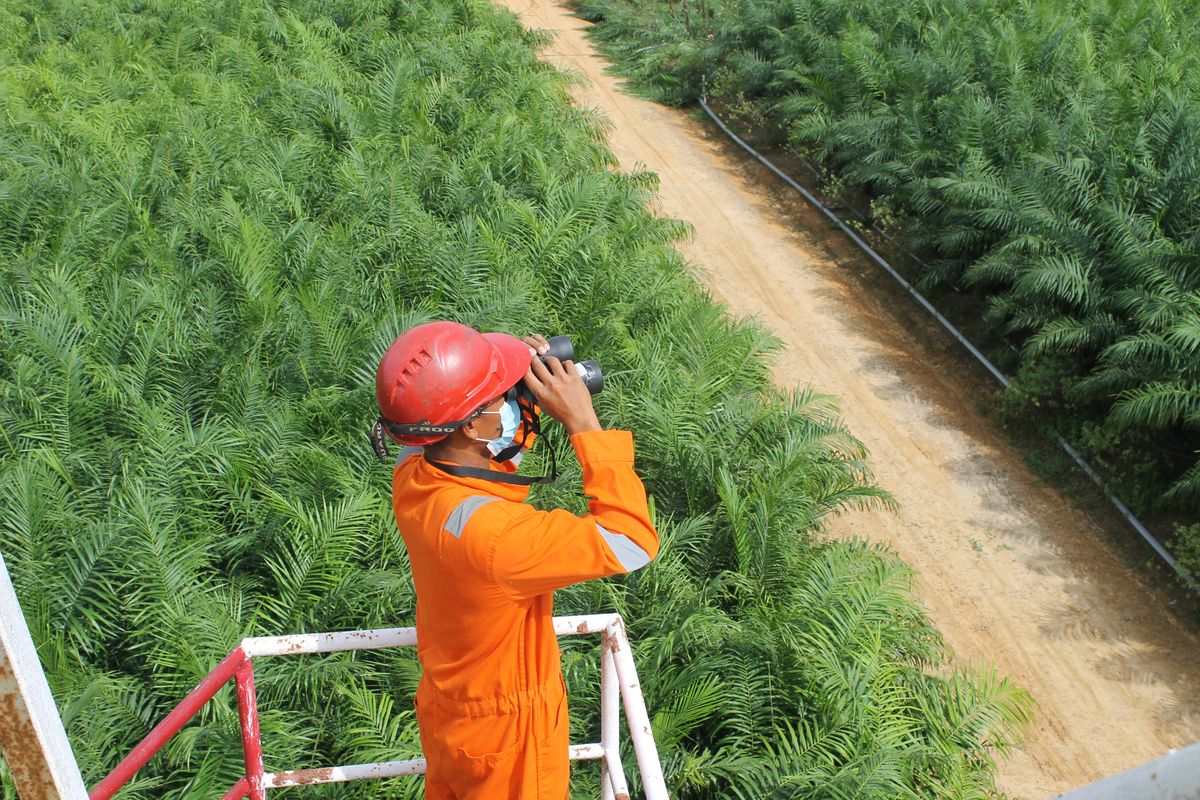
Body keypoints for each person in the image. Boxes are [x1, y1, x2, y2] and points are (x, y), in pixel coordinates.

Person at [374, 320, 659, 800]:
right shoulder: (500, 538)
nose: (511, 401)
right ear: (469, 425)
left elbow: (462, 454)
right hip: (509, 745)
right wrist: (581, 422)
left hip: (451, 719)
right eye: (500, 400)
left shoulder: (416, 480)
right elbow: (631, 541)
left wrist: (504, 383)